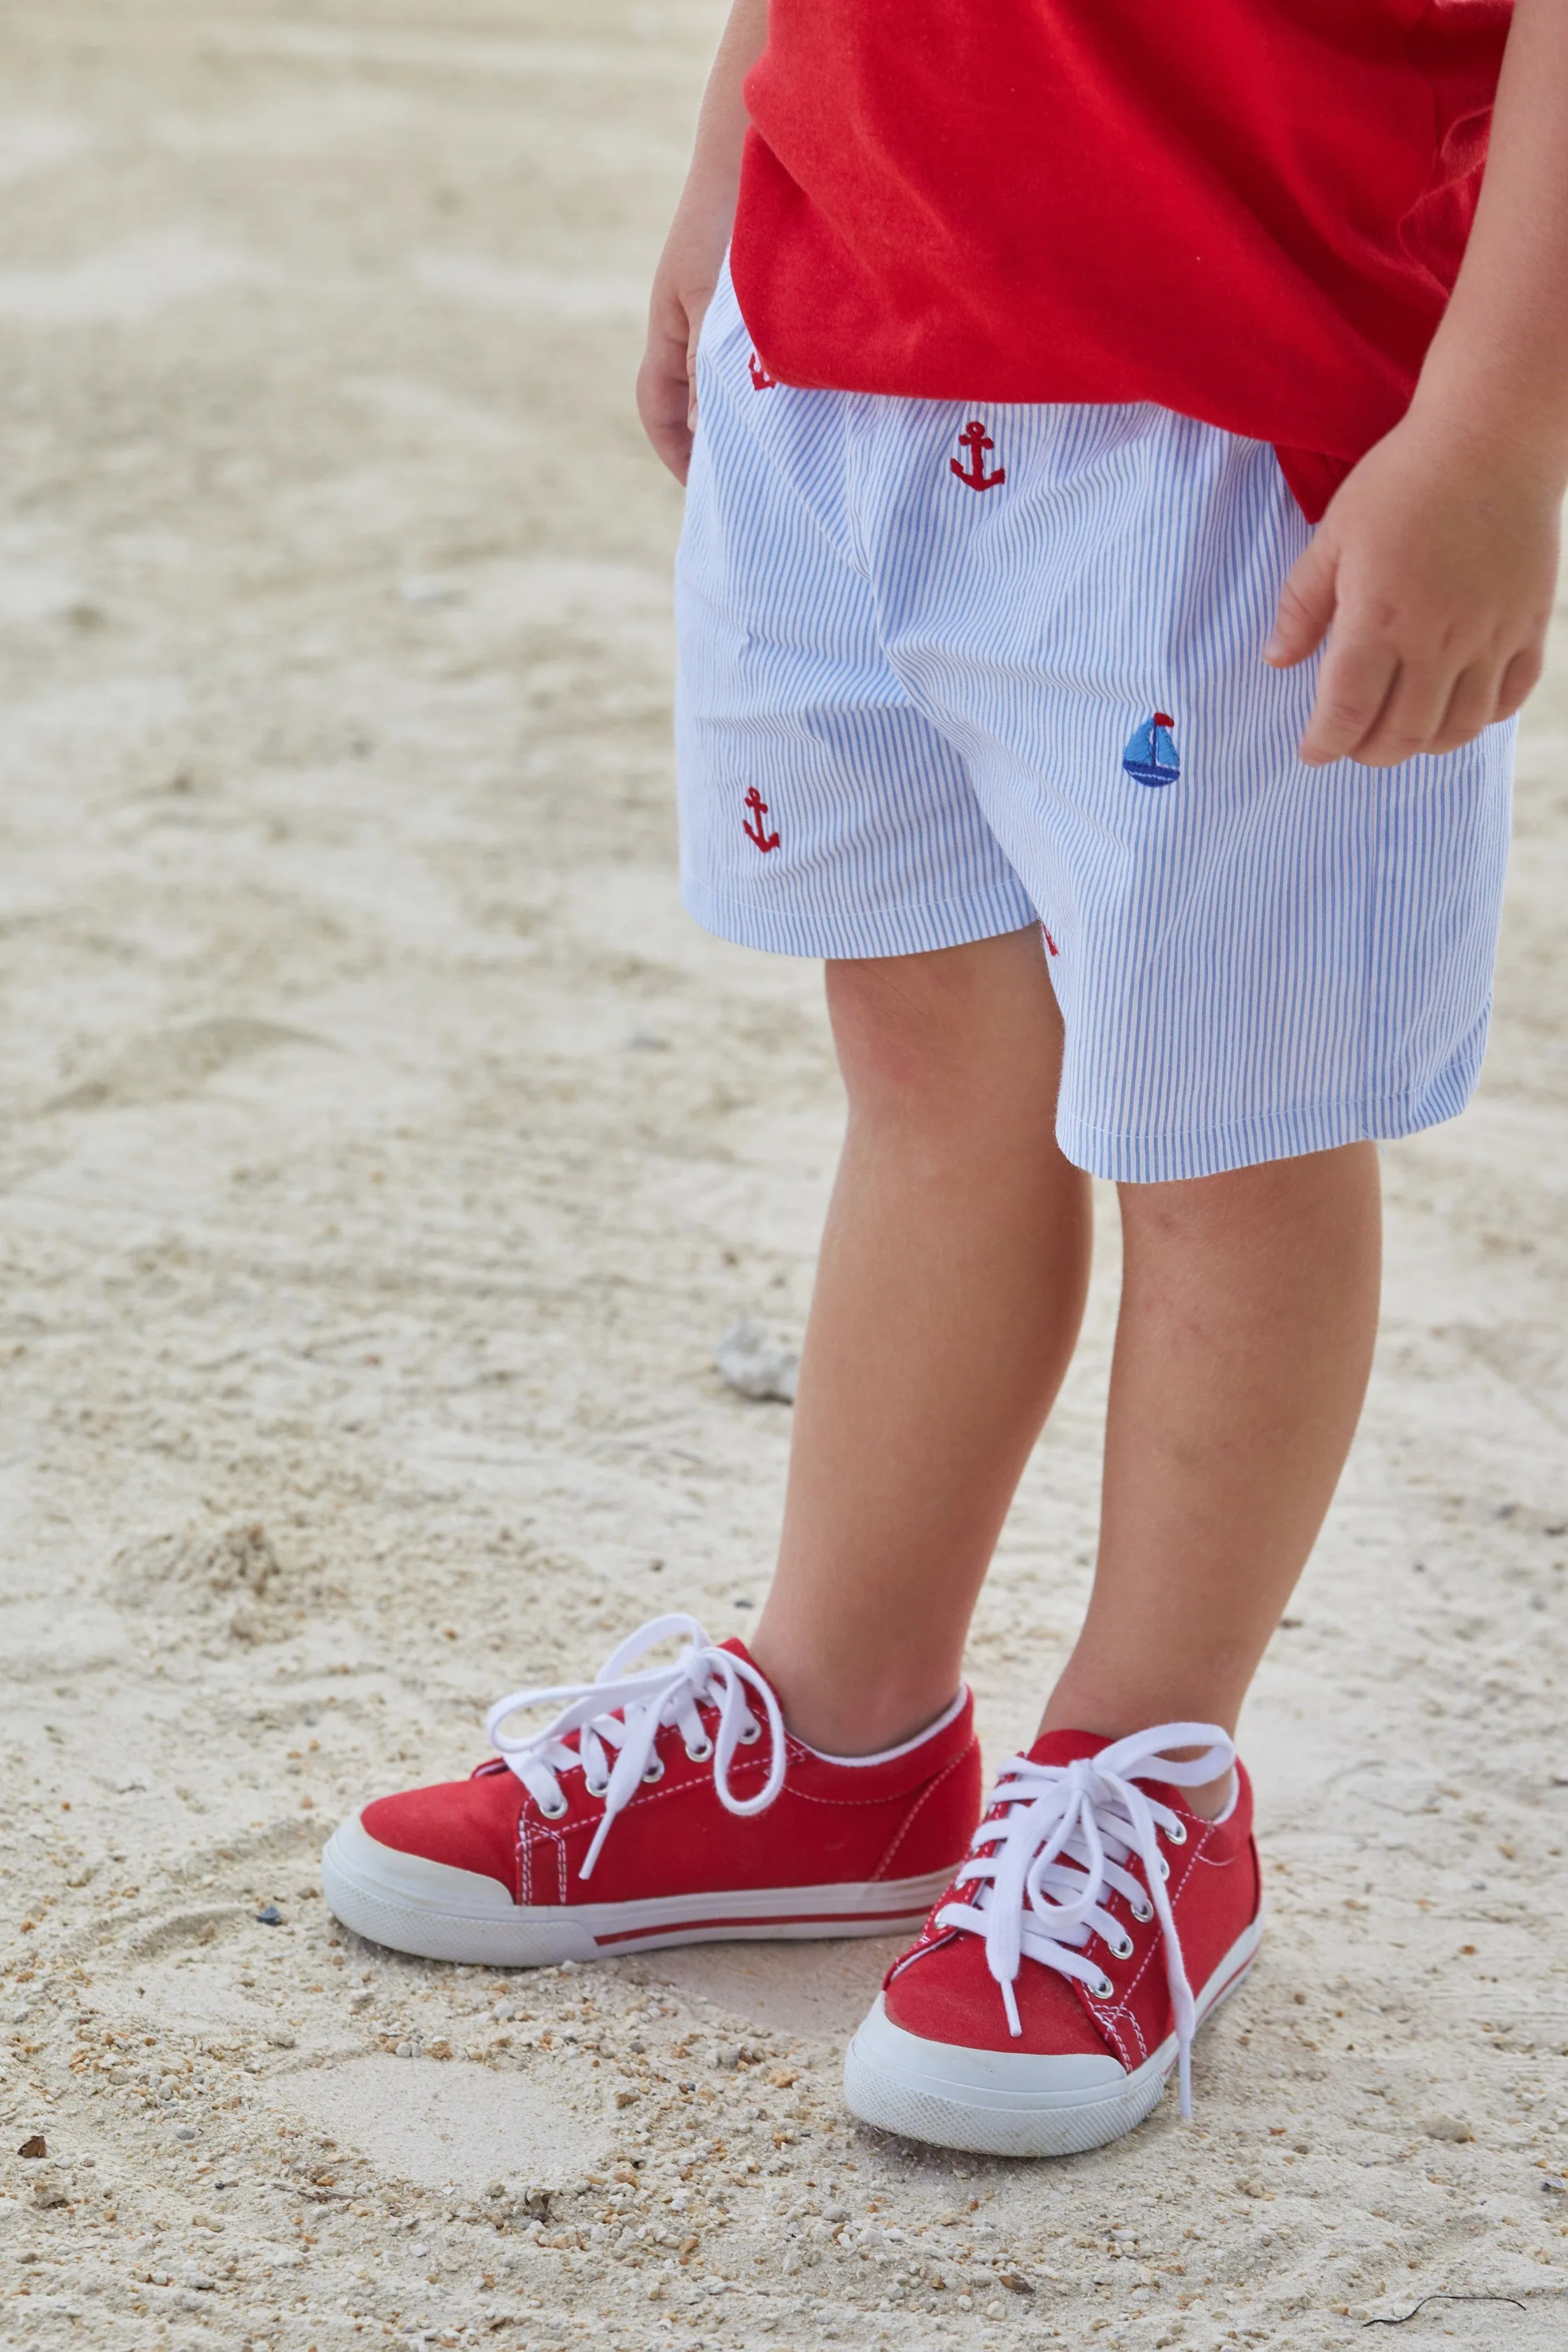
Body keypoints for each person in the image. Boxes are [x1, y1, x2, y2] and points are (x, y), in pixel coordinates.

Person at [321, 0, 1567, 2157]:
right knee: (924, 1069)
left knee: (1236, 1132)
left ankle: (1145, 1780)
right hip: (845, 345)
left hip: (1243, 394)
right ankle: (839, 1736)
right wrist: (737, 143)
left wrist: (1501, 428)